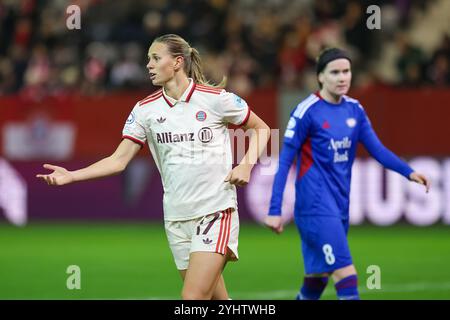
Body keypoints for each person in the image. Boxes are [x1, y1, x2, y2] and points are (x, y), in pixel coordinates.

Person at [37, 34, 271, 300]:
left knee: (192, 299)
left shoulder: (216, 99)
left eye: (156, 58)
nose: (148, 64)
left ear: (177, 62)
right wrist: (72, 175)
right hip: (175, 217)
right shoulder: (145, 110)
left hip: (215, 212)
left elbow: (261, 128)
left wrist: (246, 165)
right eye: (148, 58)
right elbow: (119, 159)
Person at [264, 48, 430, 300]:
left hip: (340, 205)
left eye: (346, 71)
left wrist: (409, 172)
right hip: (315, 207)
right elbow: (285, 160)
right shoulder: (306, 110)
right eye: (335, 72)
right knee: (346, 275)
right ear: (320, 77)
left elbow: (377, 149)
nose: (342, 77)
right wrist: (275, 209)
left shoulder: (355, 110)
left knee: (316, 281)